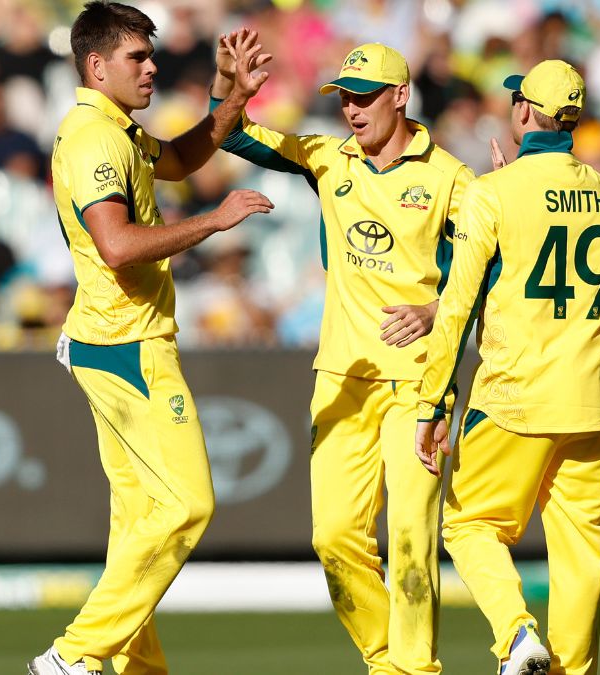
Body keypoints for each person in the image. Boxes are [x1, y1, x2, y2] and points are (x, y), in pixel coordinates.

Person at [211, 33, 473, 675]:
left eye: (365, 97)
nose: (352, 110)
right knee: (332, 539)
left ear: (401, 95)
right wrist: (228, 83)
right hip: (341, 376)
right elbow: (228, 134)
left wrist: (435, 310)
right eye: (344, 99)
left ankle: (414, 668)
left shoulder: (450, 177)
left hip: (418, 381)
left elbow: (490, 264)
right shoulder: (329, 159)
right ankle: (386, 659)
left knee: (412, 538)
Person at [28, 3, 272, 674]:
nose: (152, 66)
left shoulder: (115, 129)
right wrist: (214, 222)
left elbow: (184, 157)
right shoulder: (94, 139)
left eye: (151, 54)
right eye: (137, 57)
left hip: (110, 340)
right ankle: (72, 655)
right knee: (189, 503)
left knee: (139, 526)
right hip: (127, 344)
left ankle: (136, 668)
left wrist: (230, 97)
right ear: (96, 65)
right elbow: (116, 245)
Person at [415, 60, 600, 675]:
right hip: (591, 398)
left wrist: (434, 406)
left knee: (470, 526)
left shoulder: (492, 194)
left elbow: (456, 310)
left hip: (515, 394)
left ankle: (514, 637)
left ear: (526, 113)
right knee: (582, 556)